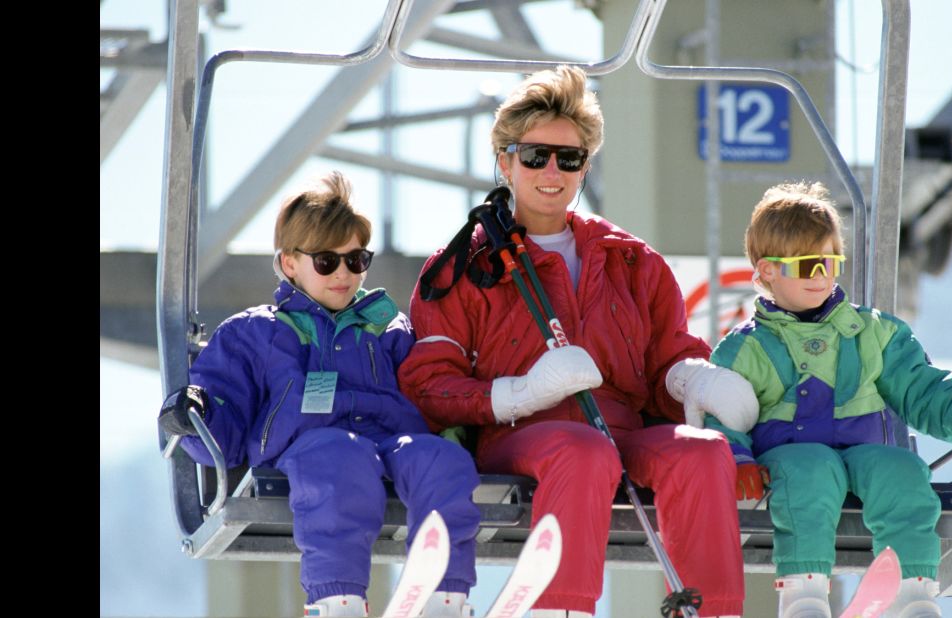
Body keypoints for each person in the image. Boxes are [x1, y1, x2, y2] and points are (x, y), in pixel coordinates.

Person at [398, 65, 759, 618]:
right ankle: (559, 608)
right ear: (505, 161)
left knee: (704, 453)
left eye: (568, 158)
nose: (551, 171)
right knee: (581, 450)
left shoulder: (631, 261)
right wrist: (521, 392)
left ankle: (715, 611)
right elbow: (429, 384)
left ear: (585, 166)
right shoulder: (466, 266)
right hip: (521, 432)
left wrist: (694, 377)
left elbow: (668, 357)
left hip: (622, 430)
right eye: (534, 155)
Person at [157, 172, 480, 618]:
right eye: (327, 262)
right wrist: (197, 413)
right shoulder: (257, 333)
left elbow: (430, 391)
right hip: (307, 454)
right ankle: (337, 598)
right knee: (337, 456)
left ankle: (445, 595)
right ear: (290, 263)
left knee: (441, 460)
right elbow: (225, 417)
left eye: (357, 259)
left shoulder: (388, 330)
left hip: (389, 448)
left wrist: (470, 417)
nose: (345, 274)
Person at [705, 181, 952, 618]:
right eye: (807, 266)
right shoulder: (747, 349)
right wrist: (737, 459)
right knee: (810, 470)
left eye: (830, 262)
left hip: (866, 452)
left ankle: (913, 593)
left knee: (903, 471)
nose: (821, 276)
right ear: (767, 270)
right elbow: (720, 411)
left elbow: (922, 387)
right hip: (789, 460)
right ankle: (804, 597)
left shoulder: (872, 334)